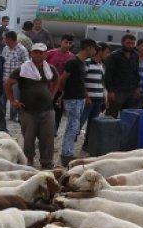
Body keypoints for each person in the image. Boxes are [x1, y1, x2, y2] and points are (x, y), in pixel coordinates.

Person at [6, 43, 58, 169]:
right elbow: (8, 84)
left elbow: (57, 79)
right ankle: (29, 159)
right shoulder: (23, 69)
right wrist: (13, 101)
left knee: (47, 137)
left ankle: (46, 162)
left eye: (41, 52)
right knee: (29, 137)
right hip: (28, 110)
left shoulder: (49, 68)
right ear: (31, 54)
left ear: (46, 54)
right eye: (35, 52)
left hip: (47, 109)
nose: (38, 54)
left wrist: (53, 94)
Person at [56, 38, 95, 166]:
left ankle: (68, 152)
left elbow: (80, 82)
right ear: (89, 48)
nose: (95, 51)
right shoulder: (73, 62)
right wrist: (66, 93)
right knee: (72, 127)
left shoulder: (82, 62)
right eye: (94, 49)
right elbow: (62, 79)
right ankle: (67, 154)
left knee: (75, 126)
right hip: (72, 98)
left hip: (79, 98)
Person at [80, 42, 110, 150]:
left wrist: (105, 98)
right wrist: (87, 97)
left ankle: (87, 146)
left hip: (98, 99)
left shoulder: (102, 65)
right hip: (89, 99)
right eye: (107, 52)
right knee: (79, 123)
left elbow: (102, 83)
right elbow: (81, 81)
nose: (108, 55)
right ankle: (68, 147)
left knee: (92, 125)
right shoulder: (87, 63)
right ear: (100, 51)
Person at [103, 34, 140, 117]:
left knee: (128, 115)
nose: (131, 45)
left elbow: (136, 72)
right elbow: (108, 75)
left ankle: (123, 130)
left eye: (133, 43)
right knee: (111, 115)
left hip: (131, 90)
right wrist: (110, 91)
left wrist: (137, 87)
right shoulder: (114, 56)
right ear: (122, 43)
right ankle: (109, 130)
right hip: (117, 91)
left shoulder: (136, 55)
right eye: (128, 43)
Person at [46, 33, 75, 130]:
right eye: (65, 42)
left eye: (70, 43)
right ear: (60, 42)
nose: (67, 45)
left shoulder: (72, 57)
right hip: (47, 88)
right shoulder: (50, 53)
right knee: (46, 111)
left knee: (58, 111)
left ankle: (54, 130)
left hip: (61, 90)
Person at [1, 31, 29, 122]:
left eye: (5, 38)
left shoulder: (22, 49)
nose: (4, 40)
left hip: (15, 80)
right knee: (3, 98)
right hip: (5, 78)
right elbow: (2, 61)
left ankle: (13, 116)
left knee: (15, 98)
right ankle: (2, 115)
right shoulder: (5, 48)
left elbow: (26, 64)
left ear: (10, 39)